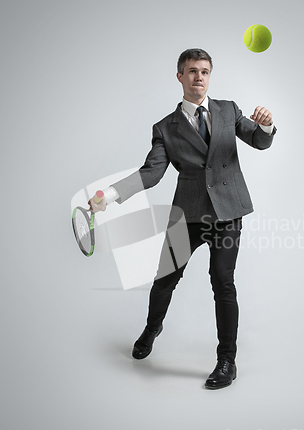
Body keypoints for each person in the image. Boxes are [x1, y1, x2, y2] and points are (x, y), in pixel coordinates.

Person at [89, 48, 277, 389]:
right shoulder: (166, 128)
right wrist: (110, 195)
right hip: (188, 214)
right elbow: (151, 173)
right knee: (165, 280)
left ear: (210, 75)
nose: (199, 77)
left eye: (205, 71)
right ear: (180, 76)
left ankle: (227, 361)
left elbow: (259, 141)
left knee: (223, 283)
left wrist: (266, 125)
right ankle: (151, 328)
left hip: (227, 212)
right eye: (192, 71)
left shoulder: (228, 110)